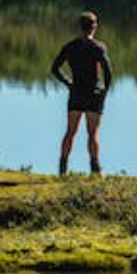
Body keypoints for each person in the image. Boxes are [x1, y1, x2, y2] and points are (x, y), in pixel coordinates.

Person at [51, 10, 113, 175]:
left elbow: (55, 69)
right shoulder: (99, 47)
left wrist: (68, 83)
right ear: (95, 27)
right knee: (92, 133)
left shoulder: (70, 47)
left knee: (70, 131)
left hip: (76, 92)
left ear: (80, 27)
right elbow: (108, 73)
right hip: (94, 93)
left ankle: (62, 167)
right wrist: (105, 91)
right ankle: (95, 168)